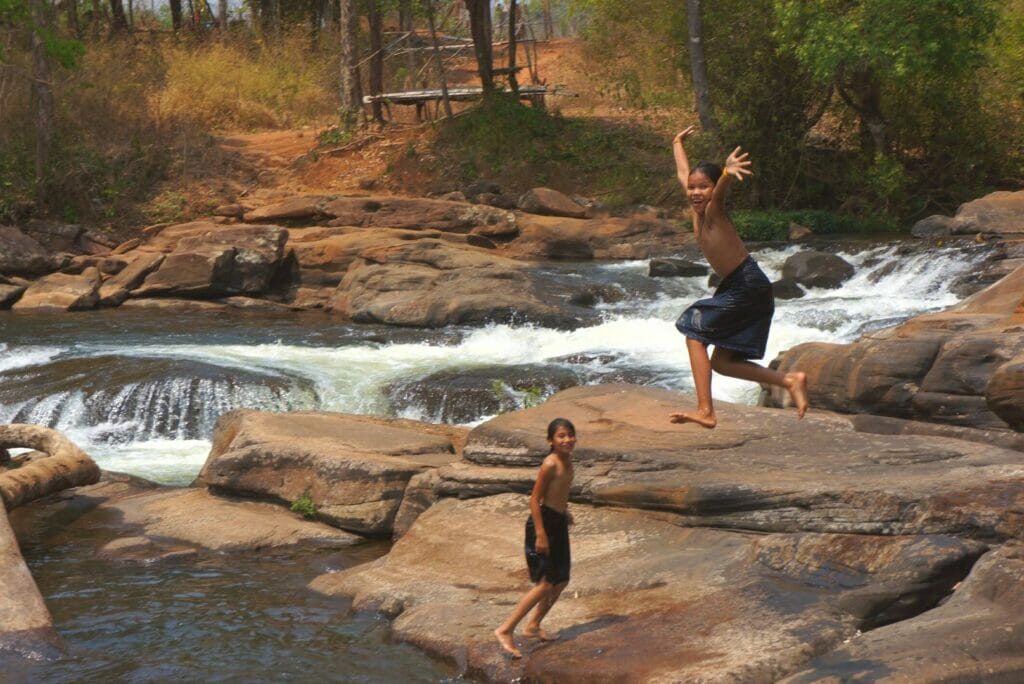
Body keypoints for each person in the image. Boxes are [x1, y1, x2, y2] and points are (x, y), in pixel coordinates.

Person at [670, 125, 809, 428]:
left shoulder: (714, 211)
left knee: (693, 331)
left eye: (702, 187)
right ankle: (789, 380)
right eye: (692, 188)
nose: (695, 192)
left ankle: (706, 411)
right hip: (740, 286)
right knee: (722, 362)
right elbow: (683, 172)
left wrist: (726, 175)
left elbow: (719, 194)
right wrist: (677, 142)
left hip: (747, 285)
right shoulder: (696, 206)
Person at [494, 417, 576, 658]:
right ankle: (505, 629)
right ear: (550, 440)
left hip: (558, 522)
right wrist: (540, 533)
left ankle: (533, 625)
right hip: (543, 525)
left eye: (570, 435)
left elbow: (559, 491)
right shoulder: (550, 463)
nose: (567, 440)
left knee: (561, 580)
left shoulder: (568, 459)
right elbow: (534, 499)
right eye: (561, 436)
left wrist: (565, 512)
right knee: (545, 584)